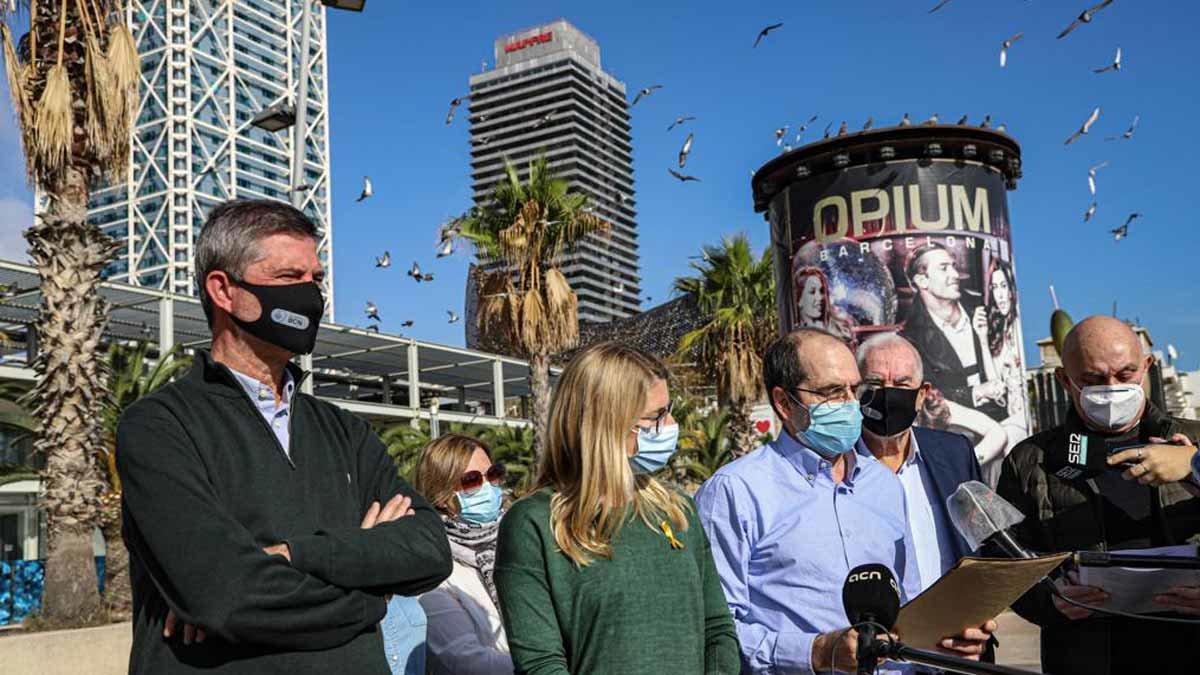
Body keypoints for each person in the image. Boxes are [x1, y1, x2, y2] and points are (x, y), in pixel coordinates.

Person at [117, 199, 452, 673]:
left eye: (315, 279)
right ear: (224, 290)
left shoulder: (344, 429)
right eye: (288, 279)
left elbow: (430, 550)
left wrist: (296, 554)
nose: (312, 296)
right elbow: (227, 596)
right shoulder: (160, 426)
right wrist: (374, 592)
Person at [696, 328, 995, 674]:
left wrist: (944, 645)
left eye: (856, 390)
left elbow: (908, 607)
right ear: (783, 402)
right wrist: (815, 652)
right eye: (833, 392)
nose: (852, 404)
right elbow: (715, 630)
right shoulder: (735, 492)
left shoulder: (882, 484)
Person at [495, 342, 740, 674]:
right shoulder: (534, 524)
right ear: (605, 423)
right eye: (656, 416)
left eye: (668, 410)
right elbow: (540, 663)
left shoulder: (677, 508)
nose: (669, 425)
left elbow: (717, 628)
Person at [996, 315, 1200, 675]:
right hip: (1086, 655)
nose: (1112, 388)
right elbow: (1005, 563)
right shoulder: (1031, 460)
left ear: (1147, 366)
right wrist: (1050, 601)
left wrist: (1195, 464)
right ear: (1064, 379)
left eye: (1125, 375)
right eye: (1093, 379)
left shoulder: (1193, 441)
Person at [855, 334, 985, 592]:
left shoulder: (954, 454)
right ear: (856, 390)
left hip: (954, 623)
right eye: (875, 383)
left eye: (902, 385)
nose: (888, 393)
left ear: (921, 394)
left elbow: (982, 542)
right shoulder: (836, 466)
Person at [412, 433, 514, 674]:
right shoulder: (434, 569)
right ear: (443, 495)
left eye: (493, 475)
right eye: (471, 480)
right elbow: (466, 662)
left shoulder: (516, 541)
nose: (488, 486)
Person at [899, 243, 1005, 420]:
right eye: (944, 268)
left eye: (953, 266)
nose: (955, 275)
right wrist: (977, 392)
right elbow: (927, 395)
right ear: (922, 281)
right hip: (958, 429)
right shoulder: (911, 337)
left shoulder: (984, 306)